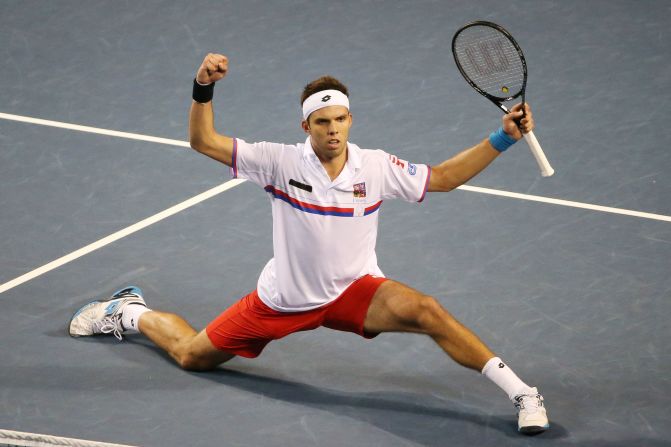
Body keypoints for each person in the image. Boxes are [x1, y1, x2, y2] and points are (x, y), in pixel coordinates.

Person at [69, 53, 549, 434]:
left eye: (340, 119)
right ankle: (130, 311)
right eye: (323, 122)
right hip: (282, 300)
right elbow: (203, 141)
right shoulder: (280, 163)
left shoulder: (376, 166)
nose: (334, 129)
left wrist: (501, 139)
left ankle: (522, 392)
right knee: (192, 356)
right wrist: (203, 86)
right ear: (306, 127)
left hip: (353, 291)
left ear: (351, 120)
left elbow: (442, 178)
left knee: (427, 310)